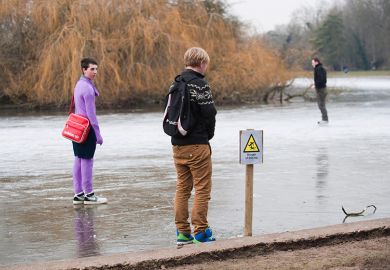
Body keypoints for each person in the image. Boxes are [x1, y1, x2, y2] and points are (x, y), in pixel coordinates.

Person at [169, 47, 217, 245]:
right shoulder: (199, 84)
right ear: (202, 63)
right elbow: (210, 113)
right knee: (202, 189)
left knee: (182, 188)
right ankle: (201, 231)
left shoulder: (176, 83)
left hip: (177, 144)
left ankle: (182, 233)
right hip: (197, 145)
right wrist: (208, 136)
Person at [72, 58, 107, 205]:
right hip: (87, 128)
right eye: (92, 69)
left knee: (79, 159)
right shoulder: (87, 88)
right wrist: (98, 134)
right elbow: (91, 115)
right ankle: (89, 194)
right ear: (84, 70)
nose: (95, 72)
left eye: (96, 69)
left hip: (76, 127)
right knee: (87, 161)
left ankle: (78, 194)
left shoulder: (79, 84)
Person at [312, 57, 329, 124]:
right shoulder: (320, 68)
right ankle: (324, 119)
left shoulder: (318, 69)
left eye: (313, 63)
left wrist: (316, 85)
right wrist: (315, 84)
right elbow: (322, 80)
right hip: (322, 89)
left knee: (321, 104)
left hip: (321, 90)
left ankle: (325, 119)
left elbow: (322, 80)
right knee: (321, 104)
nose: (312, 64)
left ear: (316, 62)